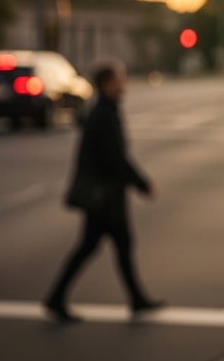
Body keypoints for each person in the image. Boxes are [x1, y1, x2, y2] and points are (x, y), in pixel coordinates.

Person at [44, 59, 163, 323]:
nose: (124, 85)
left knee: (106, 246)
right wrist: (141, 183)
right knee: (104, 246)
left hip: (106, 194)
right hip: (104, 196)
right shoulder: (103, 115)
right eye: (120, 80)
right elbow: (115, 157)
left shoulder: (104, 111)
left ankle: (134, 299)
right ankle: (58, 297)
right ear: (107, 84)